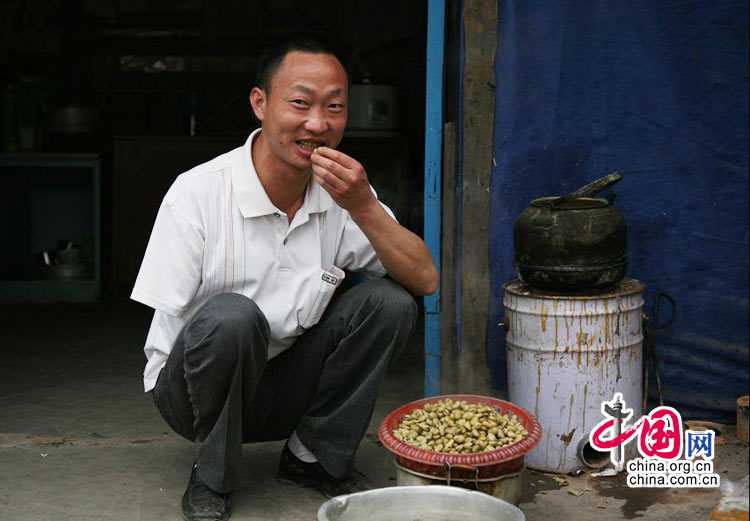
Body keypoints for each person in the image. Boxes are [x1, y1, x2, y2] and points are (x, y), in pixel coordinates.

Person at [131, 34, 437, 521]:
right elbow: (175, 324)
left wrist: (362, 206)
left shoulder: (342, 192)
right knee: (232, 317)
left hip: (282, 385)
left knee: (388, 302)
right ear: (260, 103)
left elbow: (424, 279)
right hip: (192, 394)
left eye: (334, 107)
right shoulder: (198, 192)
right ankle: (213, 474)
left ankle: (312, 459)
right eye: (300, 103)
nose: (317, 124)